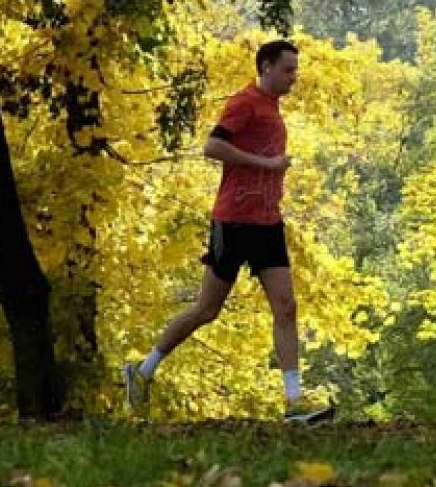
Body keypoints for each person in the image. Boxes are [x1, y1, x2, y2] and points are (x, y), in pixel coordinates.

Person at [121, 39, 334, 423]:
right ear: (266, 66)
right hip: (234, 221)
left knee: (286, 306)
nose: (294, 77)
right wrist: (265, 165)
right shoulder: (245, 102)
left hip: (267, 221)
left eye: (295, 69)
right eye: (288, 69)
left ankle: (294, 402)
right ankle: (143, 370)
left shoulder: (272, 107)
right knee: (207, 309)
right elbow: (212, 146)